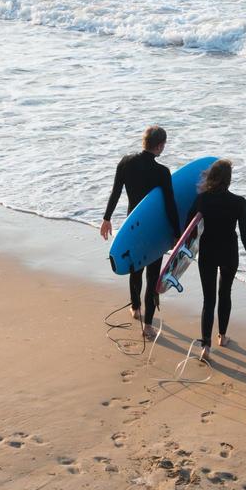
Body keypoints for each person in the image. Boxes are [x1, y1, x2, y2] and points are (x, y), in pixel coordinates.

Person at [101, 126, 180, 337]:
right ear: (160, 145)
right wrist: (177, 233)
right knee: (153, 276)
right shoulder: (162, 172)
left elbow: (115, 192)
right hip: (155, 229)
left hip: (132, 226)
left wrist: (106, 218)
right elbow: (171, 205)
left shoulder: (126, 163)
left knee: (136, 269)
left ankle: (135, 308)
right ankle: (148, 326)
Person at [186, 159, 246, 360]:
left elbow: (188, 227)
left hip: (207, 253)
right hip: (229, 254)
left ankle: (205, 347)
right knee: (224, 294)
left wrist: (183, 251)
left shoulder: (202, 200)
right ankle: (222, 337)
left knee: (208, 300)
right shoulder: (238, 202)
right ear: (229, 179)